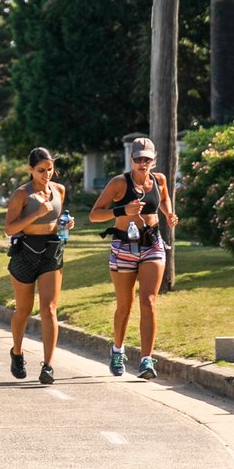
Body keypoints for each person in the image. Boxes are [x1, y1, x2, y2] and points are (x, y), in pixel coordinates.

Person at [88, 137, 178, 378]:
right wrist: (122, 210)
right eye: (138, 159)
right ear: (131, 159)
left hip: (152, 244)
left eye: (147, 159)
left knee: (148, 302)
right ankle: (117, 350)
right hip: (124, 246)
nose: (142, 163)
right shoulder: (119, 183)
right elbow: (94, 215)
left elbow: (164, 199)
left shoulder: (159, 180)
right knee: (125, 306)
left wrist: (169, 214)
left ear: (153, 160)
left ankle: (147, 360)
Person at [5, 147, 71, 383]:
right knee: (23, 310)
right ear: (30, 169)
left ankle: (48, 366)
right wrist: (36, 214)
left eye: (49, 169)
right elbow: (9, 228)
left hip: (51, 252)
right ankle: (17, 352)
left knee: (49, 309)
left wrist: (65, 224)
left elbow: (56, 221)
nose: (46, 174)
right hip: (25, 253)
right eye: (41, 170)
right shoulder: (22, 194)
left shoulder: (59, 190)